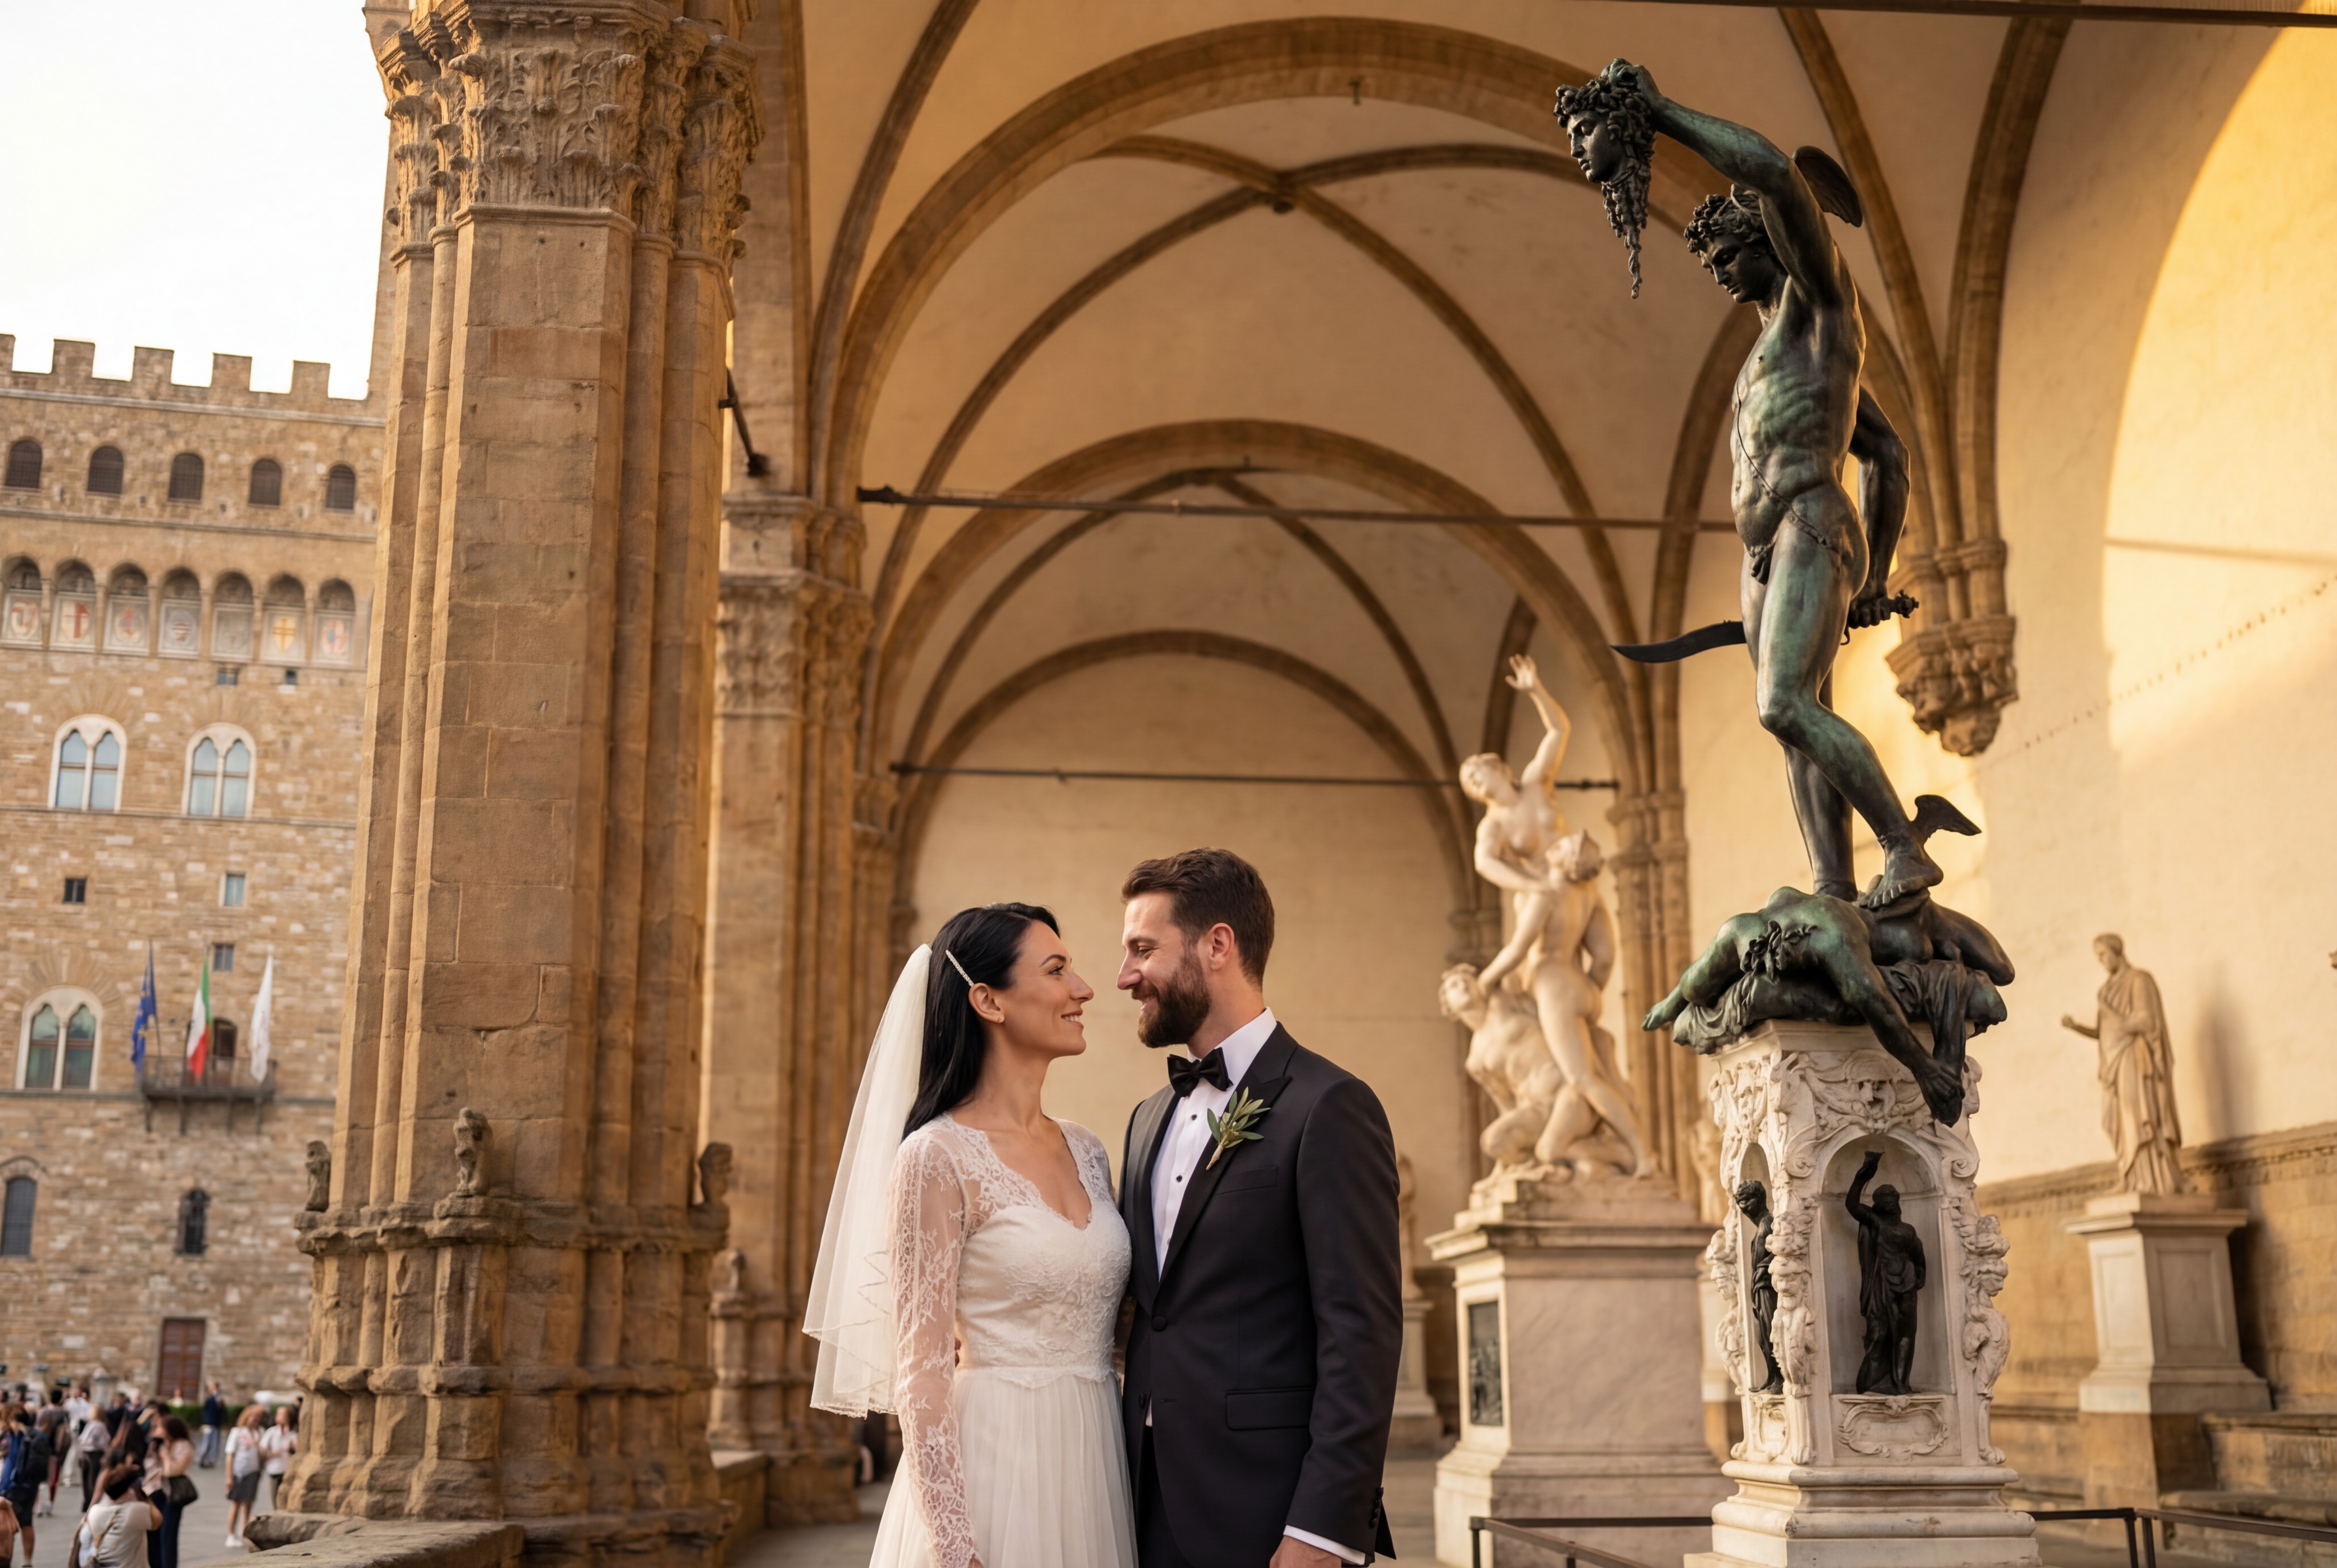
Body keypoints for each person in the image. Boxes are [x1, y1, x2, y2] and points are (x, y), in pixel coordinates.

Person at [807, 902, 1135, 1568]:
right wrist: (957, 1547)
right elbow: (921, 1377)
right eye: (1057, 970)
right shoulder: (937, 1156)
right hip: (993, 1472)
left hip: (1095, 1462)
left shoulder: (1090, 1150)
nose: (1084, 989)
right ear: (988, 1000)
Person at [1116, 849, 1402, 1566]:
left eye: (1143, 949)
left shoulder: (1329, 1105)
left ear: (1218, 945)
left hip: (1271, 1518)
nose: (1125, 976)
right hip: (1140, 1505)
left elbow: (1361, 1334)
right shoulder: (1146, 1120)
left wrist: (1322, 1532)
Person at [78, 1467, 160, 1568]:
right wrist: (142, 1496)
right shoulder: (135, 1511)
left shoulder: (95, 1510)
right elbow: (158, 1520)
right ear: (130, 1489)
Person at [148, 1415, 196, 1568]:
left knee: (167, 1536)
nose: (157, 1430)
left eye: (160, 1427)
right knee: (153, 1535)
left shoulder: (184, 1445)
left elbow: (172, 1471)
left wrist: (165, 1454)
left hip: (174, 1496)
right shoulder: (161, 1444)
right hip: (156, 1493)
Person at [223, 1406, 266, 1546]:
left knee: (249, 1504)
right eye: (252, 1416)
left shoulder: (260, 1432)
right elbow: (230, 1455)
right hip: (240, 1472)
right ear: (246, 1417)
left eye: (257, 1417)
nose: (255, 1419)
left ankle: (245, 1532)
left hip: (254, 1472)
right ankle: (231, 1534)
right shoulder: (237, 1432)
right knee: (237, 1503)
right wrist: (229, 1477)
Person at [260, 1406, 297, 1512]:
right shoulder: (272, 1432)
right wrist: (273, 1454)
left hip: (288, 1472)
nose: (278, 1417)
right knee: (276, 1502)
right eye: (278, 1414)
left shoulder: (293, 1434)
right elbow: (263, 1451)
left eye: (282, 1415)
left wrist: (292, 1447)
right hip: (275, 1471)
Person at [76, 1401, 110, 1514]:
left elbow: (97, 1442)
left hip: (95, 1454)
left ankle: (91, 1502)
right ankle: (87, 1502)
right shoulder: (91, 1424)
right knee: (86, 1479)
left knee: (91, 1480)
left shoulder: (99, 1425)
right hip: (88, 1453)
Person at [196, 1385, 225, 1470]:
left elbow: (221, 1411)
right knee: (207, 1442)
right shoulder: (209, 1399)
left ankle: (211, 1460)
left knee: (214, 1444)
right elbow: (206, 1410)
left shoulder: (219, 1399)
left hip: (216, 1424)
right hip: (209, 1424)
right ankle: (202, 1458)